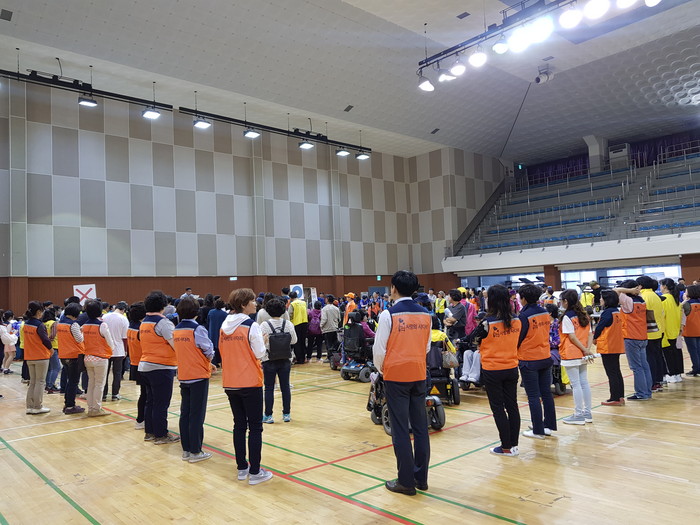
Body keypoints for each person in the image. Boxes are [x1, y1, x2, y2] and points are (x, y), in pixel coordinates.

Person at [373, 270, 432, 495]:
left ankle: (406, 482)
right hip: (419, 373)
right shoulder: (426, 314)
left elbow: (379, 350)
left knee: (400, 430)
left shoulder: (388, 314)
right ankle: (421, 479)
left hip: (396, 376)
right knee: (420, 428)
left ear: (394, 289)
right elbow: (427, 346)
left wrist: (383, 370)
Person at [219, 288, 273, 485]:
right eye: (252, 300)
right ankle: (256, 472)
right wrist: (264, 342)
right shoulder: (251, 325)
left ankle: (242, 468)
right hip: (249, 381)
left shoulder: (224, 325)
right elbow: (259, 354)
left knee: (239, 425)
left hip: (230, 382)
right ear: (243, 304)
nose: (255, 303)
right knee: (255, 427)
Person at [472, 285, 521, 455]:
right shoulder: (517, 320)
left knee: (498, 408)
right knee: (512, 406)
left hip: (493, 369)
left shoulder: (487, 322)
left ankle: (506, 447)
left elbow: (473, 339)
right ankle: (513, 445)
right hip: (511, 367)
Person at [173, 297, 215, 463]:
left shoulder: (176, 330)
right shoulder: (197, 329)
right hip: (198, 375)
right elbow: (209, 350)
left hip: (184, 375)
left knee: (185, 413)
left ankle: (186, 450)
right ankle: (196, 451)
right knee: (197, 414)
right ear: (196, 311)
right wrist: (208, 360)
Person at [139, 290, 180, 444]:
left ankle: (150, 432)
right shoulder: (163, 323)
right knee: (161, 403)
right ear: (163, 305)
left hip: (146, 366)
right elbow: (176, 345)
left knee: (151, 402)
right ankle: (161, 435)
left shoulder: (144, 322)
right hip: (161, 367)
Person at [517, 284, 557, 439]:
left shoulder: (524, 315)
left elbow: (519, 337)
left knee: (533, 396)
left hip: (529, 359)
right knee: (546, 393)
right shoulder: (545, 312)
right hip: (545, 356)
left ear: (523, 298)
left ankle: (538, 431)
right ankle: (548, 426)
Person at [559, 289, 594, 425]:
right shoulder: (584, 315)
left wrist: (585, 350)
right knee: (584, 382)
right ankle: (587, 413)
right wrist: (587, 350)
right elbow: (590, 334)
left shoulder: (567, 317)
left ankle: (578, 414)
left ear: (566, 301)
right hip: (583, 352)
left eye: (561, 300)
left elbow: (572, 337)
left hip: (571, 353)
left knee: (576, 384)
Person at [259, 297, 297, 424]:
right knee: (285, 387)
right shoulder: (288, 324)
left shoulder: (264, 325)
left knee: (269, 388)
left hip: (269, 359)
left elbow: (261, 343)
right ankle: (286, 414)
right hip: (285, 359)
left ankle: (268, 415)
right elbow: (294, 341)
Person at [614, 280, 653, 400]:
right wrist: (633, 290)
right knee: (644, 366)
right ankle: (647, 392)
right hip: (642, 336)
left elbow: (615, 291)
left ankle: (641, 393)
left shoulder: (628, 301)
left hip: (631, 337)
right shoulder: (641, 300)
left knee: (636, 367)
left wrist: (630, 290)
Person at [82, 299, 116, 417]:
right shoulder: (102, 325)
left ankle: (90, 408)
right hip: (100, 358)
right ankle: (96, 408)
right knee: (99, 384)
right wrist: (112, 349)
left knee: (91, 383)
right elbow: (110, 342)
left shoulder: (84, 325)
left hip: (88, 357)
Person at [594, 290, 626, 406]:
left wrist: (594, 338)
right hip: (616, 345)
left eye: (602, 298)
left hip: (608, 346)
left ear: (607, 300)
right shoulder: (617, 311)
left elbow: (599, 327)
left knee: (611, 373)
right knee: (616, 371)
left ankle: (615, 398)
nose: (600, 300)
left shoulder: (607, 313)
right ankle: (620, 396)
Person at [23, 301, 53, 414]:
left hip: (29, 356)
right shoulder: (39, 325)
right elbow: (45, 340)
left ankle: (29, 406)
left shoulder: (26, 323)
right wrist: (51, 349)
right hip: (41, 356)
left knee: (33, 382)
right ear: (39, 312)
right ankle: (37, 406)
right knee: (40, 382)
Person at [637, 276, 665, 392]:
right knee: (657, 356)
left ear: (640, 286)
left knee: (650, 359)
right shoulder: (655, 295)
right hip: (659, 330)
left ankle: (652, 382)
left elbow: (641, 314)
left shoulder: (644, 296)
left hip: (649, 332)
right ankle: (658, 381)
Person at [56, 303, 86, 414]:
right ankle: (70, 405)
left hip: (63, 355)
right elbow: (79, 339)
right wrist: (83, 332)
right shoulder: (73, 325)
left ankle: (67, 403)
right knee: (73, 382)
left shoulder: (60, 323)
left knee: (70, 381)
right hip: (74, 355)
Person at [102, 301, 129, 401]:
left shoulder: (104, 317)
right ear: (124, 310)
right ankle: (115, 394)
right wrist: (125, 350)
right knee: (117, 373)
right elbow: (125, 337)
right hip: (119, 349)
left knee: (105, 373)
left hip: (106, 349)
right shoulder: (124, 319)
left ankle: (103, 394)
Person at [127, 302, 147, 429]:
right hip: (142, 363)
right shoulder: (141, 329)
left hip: (135, 362)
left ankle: (141, 419)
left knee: (144, 394)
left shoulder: (130, 327)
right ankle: (142, 420)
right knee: (146, 395)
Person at [659, 278, 683, 383]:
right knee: (675, 354)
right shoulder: (675, 299)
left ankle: (671, 374)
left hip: (666, 332)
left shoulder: (664, 299)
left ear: (664, 286)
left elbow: (661, 316)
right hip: (674, 330)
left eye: (661, 285)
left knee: (667, 355)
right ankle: (677, 375)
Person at [682, 284, 700, 376]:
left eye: (686, 291)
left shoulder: (686, 304)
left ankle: (696, 369)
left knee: (693, 351)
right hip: (698, 330)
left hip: (690, 331)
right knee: (698, 350)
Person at [42, 308, 61, 393]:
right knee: (56, 367)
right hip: (53, 347)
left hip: (45, 347)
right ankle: (50, 385)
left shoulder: (43, 323)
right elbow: (52, 335)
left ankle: (48, 385)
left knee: (49, 368)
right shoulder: (54, 323)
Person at [288, 291, 308, 365]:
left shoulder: (292, 304)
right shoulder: (304, 302)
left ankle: (299, 359)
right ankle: (304, 357)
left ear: (290, 298)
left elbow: (289, 314)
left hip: (296, 324)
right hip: (305, 323)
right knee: (303, 341)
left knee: (297, 342)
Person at [206, 299, 228, 368]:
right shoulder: (225, 314)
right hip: (221, 332)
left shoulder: (211, 312)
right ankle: (222, 362)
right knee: (221, 347)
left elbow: (207, 321)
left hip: (212, 331)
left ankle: (214, 362)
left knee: (213, 346)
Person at [320, 294, 341, 362]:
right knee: (335, 344)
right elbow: (339, 319)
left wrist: (321, 326)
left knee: (328, 344)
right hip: (335, 328)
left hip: (327, 329)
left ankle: (330, 358)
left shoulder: (324, 309)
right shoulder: (336, 308)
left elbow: (324, 319)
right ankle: (336, 358)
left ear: (327, 299)